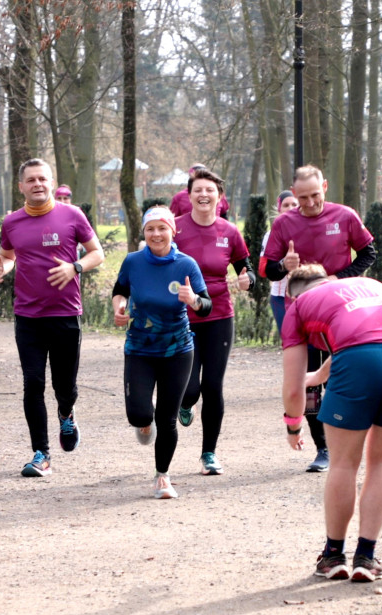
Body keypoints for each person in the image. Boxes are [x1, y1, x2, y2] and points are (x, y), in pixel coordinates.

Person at [281, 265, 382, 581]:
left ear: (293, 296)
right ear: (328, 279)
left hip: (360, 361)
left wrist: (293, 424)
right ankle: (366, 558)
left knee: (344, 464)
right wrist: (321, 375)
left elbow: (292, 389)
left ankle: (333, 557)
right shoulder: (367, 284)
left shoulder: (299, 306)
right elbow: (370, 332)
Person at [0, 158, 104, 477]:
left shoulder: (72, 215)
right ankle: (41, 453)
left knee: (64, 386)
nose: (38, 184)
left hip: (66, 313)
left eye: (43, 179)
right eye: (31, 180)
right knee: (33, 383)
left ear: (51, 183)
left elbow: (97, 253)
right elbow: (8, 257)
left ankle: (67, 414)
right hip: (28, 316)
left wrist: (75, 267)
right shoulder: (11, 222)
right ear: (21, 186)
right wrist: (1, 269)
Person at [263, 165, 377, 473]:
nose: (310, 203)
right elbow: (266, 269)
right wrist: (284, 266)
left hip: (343, 310)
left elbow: (369, 253)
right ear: (293, 192)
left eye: (315, 195)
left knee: (343, 377)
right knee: (310, 382)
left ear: (325, 186)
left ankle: (347, 441)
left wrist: (339, 278)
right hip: (303, 311)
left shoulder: (345, 216)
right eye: (302, 197)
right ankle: (322, 448)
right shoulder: (285, 223)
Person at [112, 206, 213, 499]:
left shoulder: (186, 265)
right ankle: (144, 423)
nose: (156, 234)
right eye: (150, 229)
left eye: (162, 228)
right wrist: (119, 307)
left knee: (167, 418)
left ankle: (162, 477)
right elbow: (120, 291)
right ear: (144, 233)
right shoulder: (133, 262)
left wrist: (193, 299)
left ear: (173, 231)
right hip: (140, 348)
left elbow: (206, 306)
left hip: (178, 349)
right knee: (139, 414)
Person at [172, 168, 254, 475]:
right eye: (198, 190)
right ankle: (185, 402)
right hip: (181, 317)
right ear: (189, 195)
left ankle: (209, 453)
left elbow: (246, 271)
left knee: (213, 385)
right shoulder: (175, 228)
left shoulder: (229, 232)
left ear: (219, 197)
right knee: (189, 386)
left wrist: (249, 280)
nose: (204, 195)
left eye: (210, 190)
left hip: (219, 315)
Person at [259, 190, 300, 336]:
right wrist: (283, 264)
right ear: (279, 209)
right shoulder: (271, 235)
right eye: (286, 205)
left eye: (294, 204)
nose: (290, 208)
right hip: (280, 297)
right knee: (290, 341)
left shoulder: (309, 230)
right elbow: (263, 270)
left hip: (307, 294)